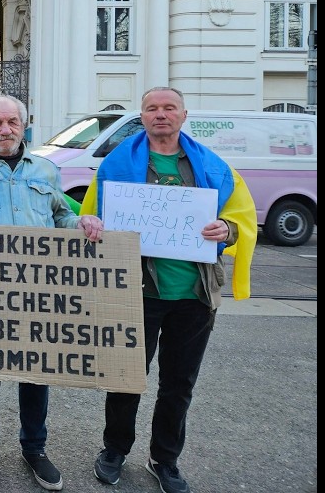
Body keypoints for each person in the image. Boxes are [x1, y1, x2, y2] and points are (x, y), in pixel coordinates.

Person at [79, 86, 256, 493]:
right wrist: (91, 226)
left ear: (183, 115)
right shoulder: (114, 167)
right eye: (152, 108)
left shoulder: (214, 167)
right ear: (141, 117)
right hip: (134, 291)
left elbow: (240, 219)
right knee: (125, 377)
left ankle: (165, 459)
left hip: (194, 294)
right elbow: (91, 215)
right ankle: (114, 450)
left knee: (179, 384)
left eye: (169, 107)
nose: (161, 114)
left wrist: (226, 229)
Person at [0, 94, 103, 492]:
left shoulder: (46, 170)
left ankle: (35, 449)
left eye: (12, 122)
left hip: (38, 291)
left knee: (37, 372)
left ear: (24, 125)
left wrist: (83, 223)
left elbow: (61, 216)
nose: (5, 130)